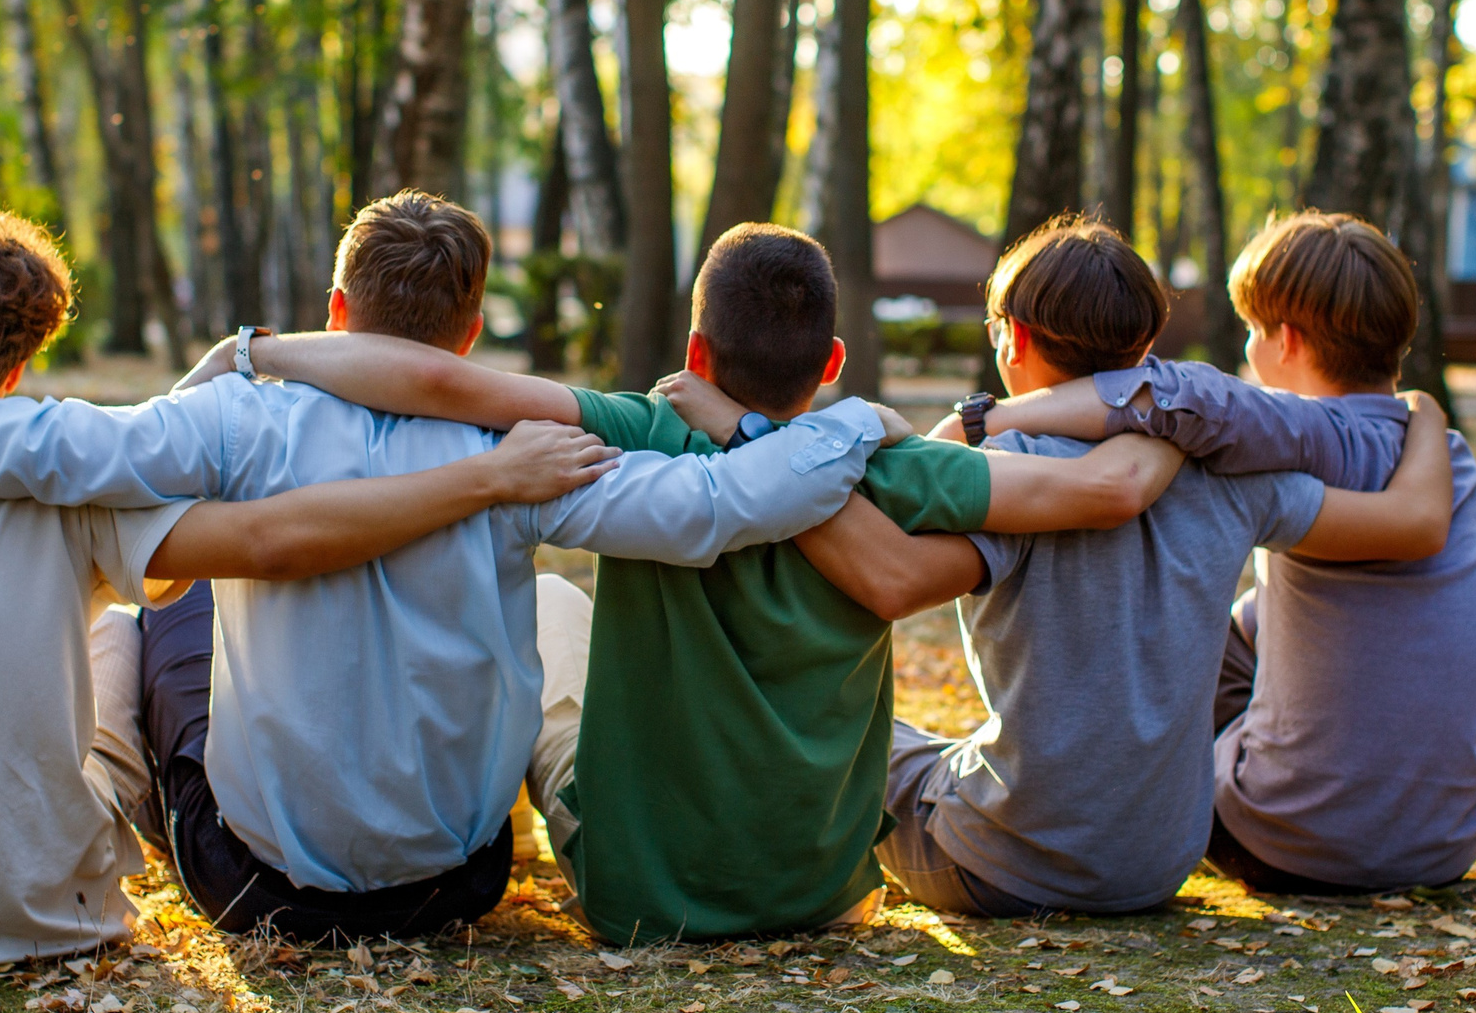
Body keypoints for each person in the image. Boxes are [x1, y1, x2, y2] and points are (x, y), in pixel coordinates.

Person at [0, 192, 886, 943]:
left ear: (336, 314)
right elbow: (716, 508)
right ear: (467, 333)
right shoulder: (524, 450)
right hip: (457, 887)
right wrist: (861, 428)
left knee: (149, 616)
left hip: (255, 888)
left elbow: (56, 448)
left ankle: (86, 811)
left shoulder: (245, 412)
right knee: (545, 599)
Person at [0, 199, 609, 968]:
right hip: (58, 908)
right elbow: (267, 541)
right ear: (24, 362)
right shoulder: (75, 505)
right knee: (133, 621)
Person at [227, 222, 1179, 944]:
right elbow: (1103, 487)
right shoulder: (899, 469)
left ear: (695, 355)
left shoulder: (642, 425)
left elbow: (437, 384)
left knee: (552, 622)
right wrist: (1198, 409)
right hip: (828, 894)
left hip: (637, 896)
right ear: (835, 363)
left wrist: (254, 352)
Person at [671, 216, 1457, 919]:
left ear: (1010, 338)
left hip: (1001, 864)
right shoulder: (1234, 476)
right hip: (1160, 866)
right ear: (1143, 350)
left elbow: (891, 579)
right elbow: (1401, 524)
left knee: (843, 742)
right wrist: (1424, 419)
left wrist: (759, 443)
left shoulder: (1005, 471)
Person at [951, 210, 1476, 895]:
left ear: (1287, 341)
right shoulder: (1442, 457)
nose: (1245, 349)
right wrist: (1429, 409)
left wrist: (991, 417)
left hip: (1286, 840)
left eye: (1251, 331)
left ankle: (1111, 803)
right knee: (1245, 619)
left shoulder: (1298, 427)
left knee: (1193, 638)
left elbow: (1168, 396)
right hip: (1447, 840)